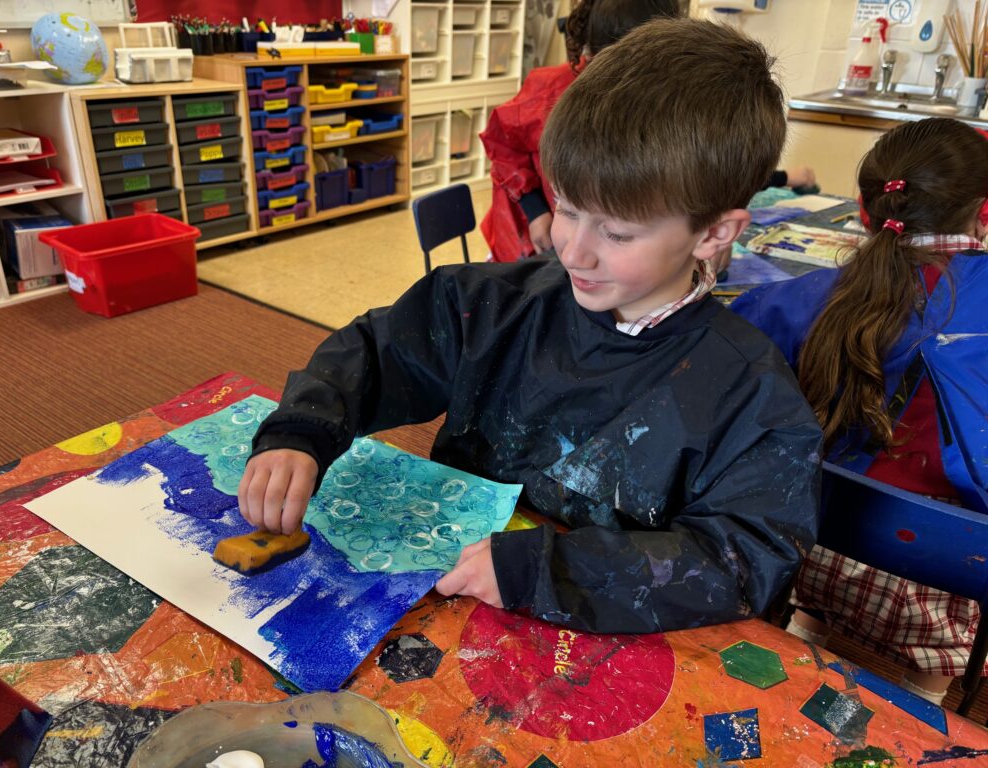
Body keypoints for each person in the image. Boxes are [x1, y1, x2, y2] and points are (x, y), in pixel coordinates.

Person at [238, 18, 822, 635]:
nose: (573, 251)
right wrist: (302, 430)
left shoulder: (753, 397)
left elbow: (740, 561)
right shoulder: (491, 304)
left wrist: (549, 572)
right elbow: (378, 353)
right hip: (452, 608)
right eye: (567, 208)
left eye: (618, 233)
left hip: (599, 650)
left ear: (713, 233)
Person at [731, 117, 988, 703]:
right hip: (942, 581)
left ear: (864, 209)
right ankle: (920, 705)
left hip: (807, 547)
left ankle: (802, 641)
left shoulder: (799, 297)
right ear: (984, 212)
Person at [478, 0, 816, 263]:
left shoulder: (674, 102)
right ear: (593, 56)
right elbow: (503, 146)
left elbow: (699, 169)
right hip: (530, 236)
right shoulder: (547, 94)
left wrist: (779, 180)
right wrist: (538, 212)